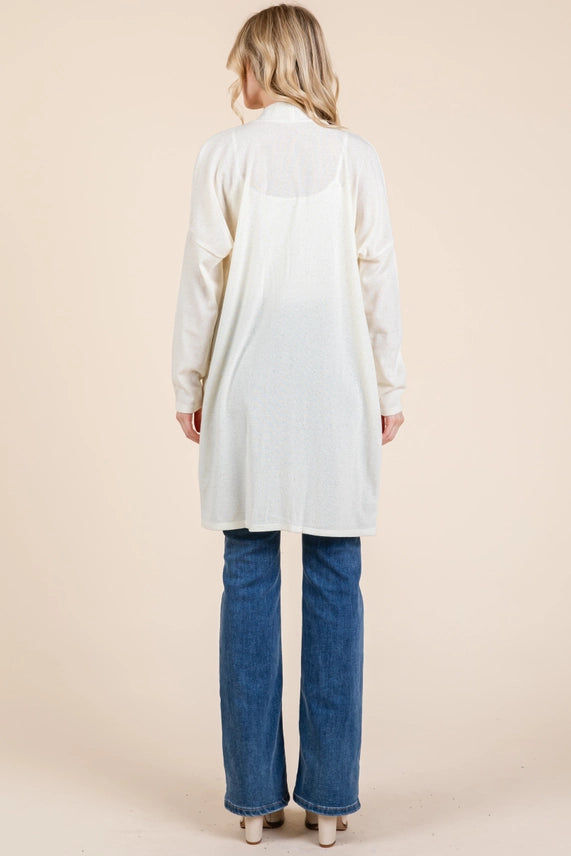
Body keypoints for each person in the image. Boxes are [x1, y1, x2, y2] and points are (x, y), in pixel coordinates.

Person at [171, 3, 406, 847]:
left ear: (262, 65)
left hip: (247, 392)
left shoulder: (222, 156)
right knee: (336, 579)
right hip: (336, 390)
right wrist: (390, 385)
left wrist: (188, 379)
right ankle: (331, 800)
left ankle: (251, 799)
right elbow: (378, 278)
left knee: (247, 575)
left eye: (241, 62)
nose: (234, 78)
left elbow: (202, 276)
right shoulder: (355, 158)